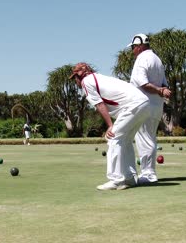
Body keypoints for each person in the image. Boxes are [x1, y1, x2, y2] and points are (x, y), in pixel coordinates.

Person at [70, 62, 151, 190]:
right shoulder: (99, 78)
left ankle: (116, 180)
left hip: (134, 105)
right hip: (145, 103)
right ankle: (129, 178)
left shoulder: (86, 82)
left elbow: (99, 104)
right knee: (125, 140)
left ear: (80, 75)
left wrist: (110, 125)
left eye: (75, 77)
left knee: (113, 137)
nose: (75, 81)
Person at [127, 33, 172, 185]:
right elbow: (164, 84)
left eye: (133, 47)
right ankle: (148, 172)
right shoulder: (157, 59)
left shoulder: (142, 59)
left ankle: (148, 174)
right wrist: (162, 91)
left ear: (139, 47)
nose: (132, 51)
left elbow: (142, 83)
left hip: (143, 104)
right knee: (149, 138)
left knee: (145, 140)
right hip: (156, 106)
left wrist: (159, 91)